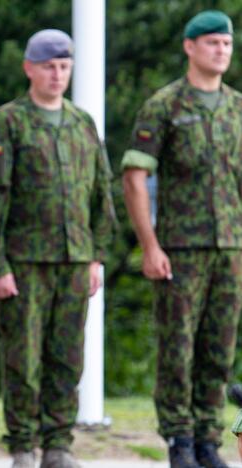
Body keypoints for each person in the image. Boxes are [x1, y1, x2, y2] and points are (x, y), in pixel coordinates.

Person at [0, 30, 115, 468]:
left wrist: (96, 255)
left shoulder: (81, 123)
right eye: (49, 66)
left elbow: (100, 193)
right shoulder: (8, 122)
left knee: (67, 358)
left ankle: (59, 444)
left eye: (64, 66)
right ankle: (23, 446)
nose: (57, 74)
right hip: (24, 261)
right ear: (29, 68)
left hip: (73, 260)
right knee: (23, 360)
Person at [122, 10, 242, 468]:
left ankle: (209, 438)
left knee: (219, 346)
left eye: (227, 43)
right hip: (180, 248)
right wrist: (150, 245)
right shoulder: (165, 105)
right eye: (212, 42)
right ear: (190, 47)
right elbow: (135, 178)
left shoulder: (236, 107)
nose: (221, 50)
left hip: (230, 247)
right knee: (178, 348)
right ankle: (179, 440)